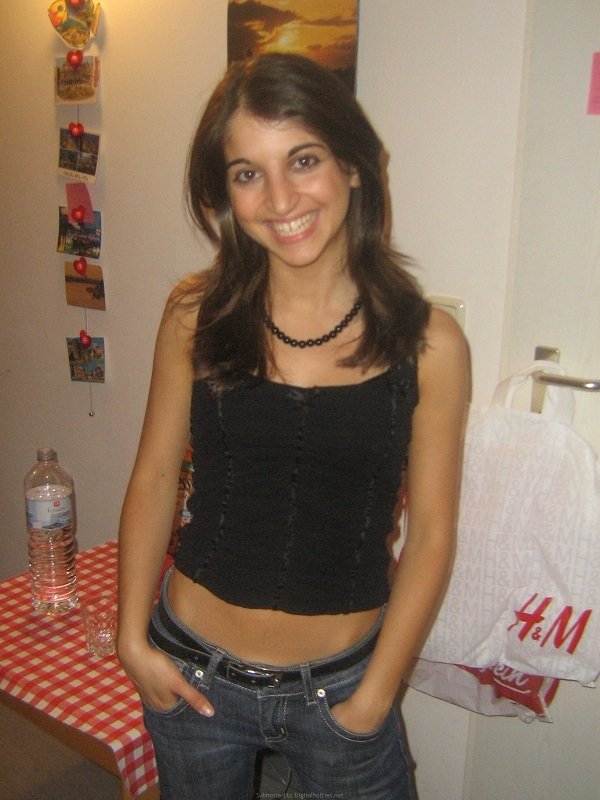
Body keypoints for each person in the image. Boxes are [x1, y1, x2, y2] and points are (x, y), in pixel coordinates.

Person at [117, 52, 469, 800]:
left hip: (344, 689)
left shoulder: (429, 344)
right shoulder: (194, 316)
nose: (280, 199)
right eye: (248, 173)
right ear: (225, 194)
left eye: (303, 160)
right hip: (192, 671)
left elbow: (433, 534)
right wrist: (131, 637)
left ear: (355, 165)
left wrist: (375, 695)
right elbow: (153, 477)